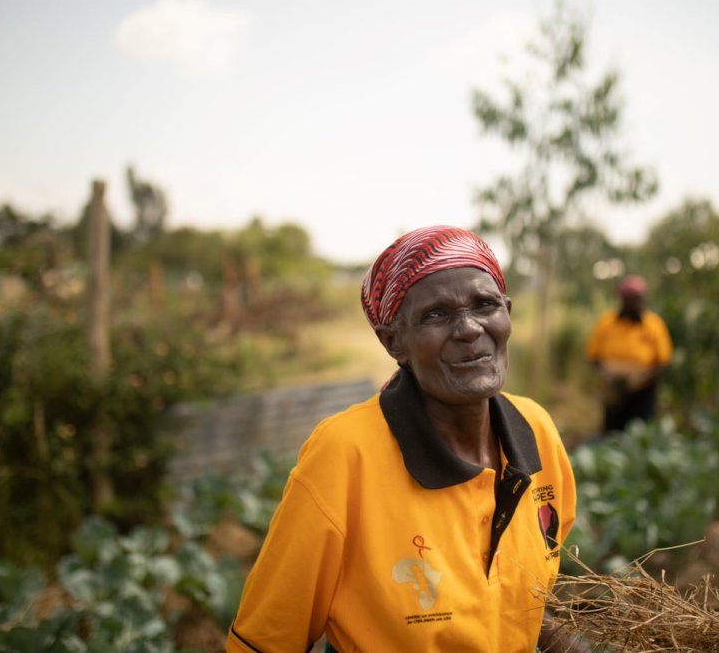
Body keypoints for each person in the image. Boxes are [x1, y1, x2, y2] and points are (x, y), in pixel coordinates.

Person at [226, 225, 578, 652]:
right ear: (393, 341)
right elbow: (266, 641)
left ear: (507, 312)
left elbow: (519, 592)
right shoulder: (345, 454)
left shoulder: (536, 431)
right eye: (436, 314)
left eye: (485, 305)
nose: (469, 328)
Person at [585, 274, 673, 434]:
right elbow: (593, 356)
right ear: (623, 300)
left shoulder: (654, 324)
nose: (636, 303)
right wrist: (608, 375)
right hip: (613, 389)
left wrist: (638, 379)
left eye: (639, 298)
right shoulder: (607, 322)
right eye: (632, 299)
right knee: (613, 431)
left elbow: (663, 361)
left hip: (643, 389)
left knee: (641, 432)